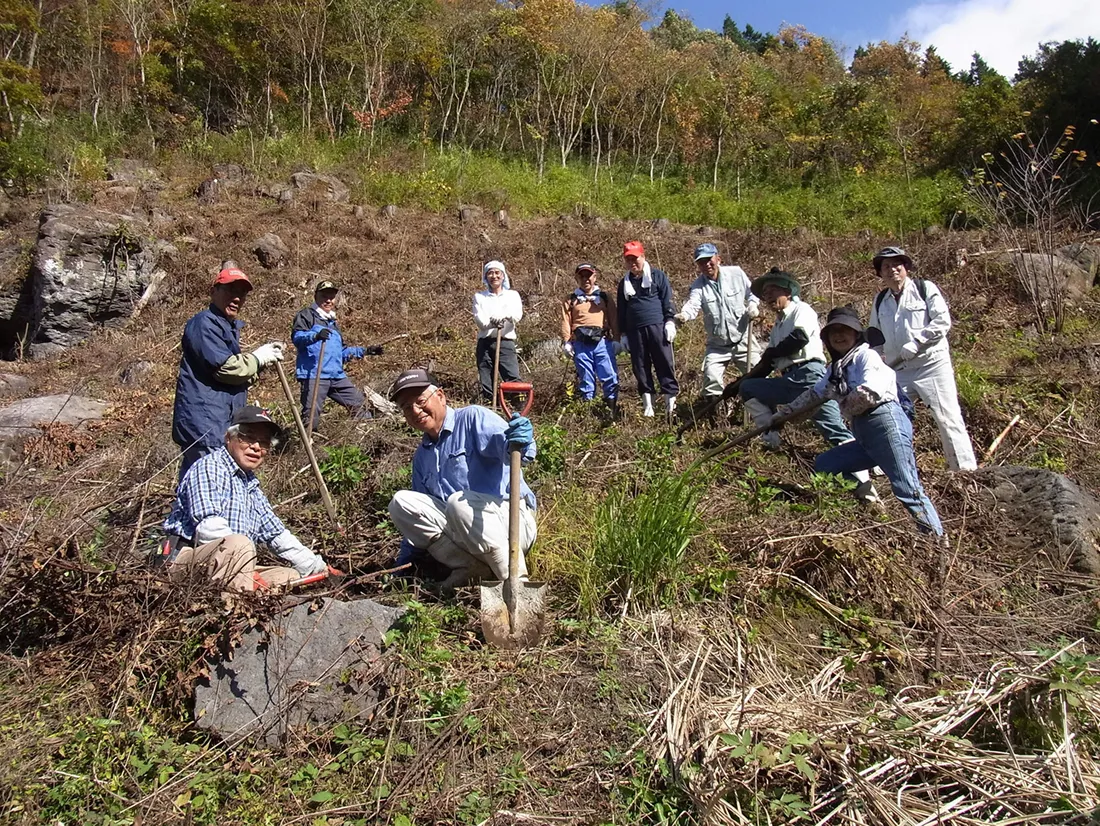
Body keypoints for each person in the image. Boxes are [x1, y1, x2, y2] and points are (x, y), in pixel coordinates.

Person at [769, 307, 944, 534]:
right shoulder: (836, 370)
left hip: (885, 424)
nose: (839, 336)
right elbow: (814, 396)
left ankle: (937, 540)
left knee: (907, 488)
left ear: (856, 334)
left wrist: (842, 403)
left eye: (845, 330)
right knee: (826, 465)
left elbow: (869, 393)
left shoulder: (865, 356)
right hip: (864, 432)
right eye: (833, 333)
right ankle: (866, 506)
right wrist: (783, 416)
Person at [734, 268, 878, 501]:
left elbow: (798, 339)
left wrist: (771, 354)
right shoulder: (778, 325)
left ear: (788, 291)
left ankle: (866, 488)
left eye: (773, 291)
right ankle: (771, 438)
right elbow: (770, 361)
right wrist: (742, 381)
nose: (768, 297)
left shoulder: (802, 310)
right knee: (750, 389)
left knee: (834, 430)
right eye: (765, 294)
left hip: (811, 377)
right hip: (788, 379)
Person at [386, 368, 537, 589]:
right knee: (401, 503)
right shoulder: (422, 456)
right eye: (407, 408)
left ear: (440, 396)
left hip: (509, 523)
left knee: (458, 503)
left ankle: (515, 583)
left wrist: (521, 442)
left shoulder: (473, 418)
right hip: (466, 532)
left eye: (420, 401)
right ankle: (471, 568)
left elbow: (512, 450)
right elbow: (423, 512)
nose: (416, 410)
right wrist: (405, 562)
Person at [158, 406, 331, 592]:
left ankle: (248, 594)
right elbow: (209, 527)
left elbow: (277, 535)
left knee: (289, 575)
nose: (256, 447)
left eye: (264, 442)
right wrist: (244, 565)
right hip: (185, 558)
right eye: (248, 437)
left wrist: (317, 566)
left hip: (232, 561)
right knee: (238, 544)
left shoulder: (251, 486)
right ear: (228, 437)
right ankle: (236, 609)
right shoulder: (210, 467)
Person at [867, 247, 977, 471]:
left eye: (897, 264)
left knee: (947, 417)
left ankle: (965, 471)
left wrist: (917, 342)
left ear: (906, 267)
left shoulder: (924, 289)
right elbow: (874, 334)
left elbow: (942, 321)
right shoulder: (880, 301)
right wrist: (878, 359)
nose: (892, 270)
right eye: (886, 266)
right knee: (889, 416)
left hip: (932, 365)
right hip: (898, 370)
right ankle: (888, 467)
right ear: (880, 273)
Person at [172, 264, 284, 481]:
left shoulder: (225, 327)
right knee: (211, 483)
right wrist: (257, 358)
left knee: (200, 484)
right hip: (206, 425)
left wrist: (258, 364)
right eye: (230, 290)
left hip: (217, 420)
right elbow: (227, 369)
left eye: (242, 293)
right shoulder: (204, 323)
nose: (237, 297)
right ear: (214, 291)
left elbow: (232, 374)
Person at [674, 243, 762, 401]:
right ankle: (717, 418)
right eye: (701, 262)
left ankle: (764, 413)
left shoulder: (736, 274)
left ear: (718, 259)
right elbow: (693, 305)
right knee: (711, 378)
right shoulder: (698, 286)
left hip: (743, 338)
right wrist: (684, 315)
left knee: (759, 374)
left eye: (709, 259)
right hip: (717, 345)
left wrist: (753, 305)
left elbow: (753, 293)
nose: (706, 264)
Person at [291, 280, 384, 430]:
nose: (328, 300)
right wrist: (315, 336)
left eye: (331, 297)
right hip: (314, 375)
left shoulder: (333, 323)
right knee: (311, 416)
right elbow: (298, 338)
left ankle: (363, 439)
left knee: (360, 405)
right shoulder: (306, 315)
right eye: (324, 296)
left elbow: (342, 352)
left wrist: (366, 351)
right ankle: (306, 447)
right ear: (316, 296)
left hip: (336, 376)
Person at [616, 240, 678, 418]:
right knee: (640, 366)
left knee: (664, 363)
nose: (632, 263)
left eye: (635, 258)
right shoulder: (624, 284)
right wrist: (623, 335)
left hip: (658, 327)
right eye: (628, 260)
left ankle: (670, 404)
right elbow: (622, 310)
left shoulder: (658, 276)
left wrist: (670, 321)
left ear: (643, 256)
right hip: (635, 331)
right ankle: (648, 405)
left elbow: (667, 300)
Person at [561, 262, 619, 411]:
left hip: (602, 342)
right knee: (586, 378)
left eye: (589, 275)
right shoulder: (570, 299)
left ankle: (611, 410)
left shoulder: (605, 297)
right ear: (576, 278)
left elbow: (613, 318)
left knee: (609, 375)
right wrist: (567, 342)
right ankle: (588, 411)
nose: (585, 279)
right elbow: (566, 321)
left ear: (595, 276)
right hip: (580, 344)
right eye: (582, 276)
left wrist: (618, 339)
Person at [473, 260, 524, 403]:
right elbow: (481, 322)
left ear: (503, 275)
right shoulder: (479, 297)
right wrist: (493, 322)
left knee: (512, 376)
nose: (494, 276)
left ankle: (518, 407)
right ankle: (491, 408)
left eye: (497, 273)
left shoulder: (512, 295)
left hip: (505, 342)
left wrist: (505, 316)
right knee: (487, 379)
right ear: (485, 277)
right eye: (490, 273)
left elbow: (517, 316)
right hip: (485, 343)